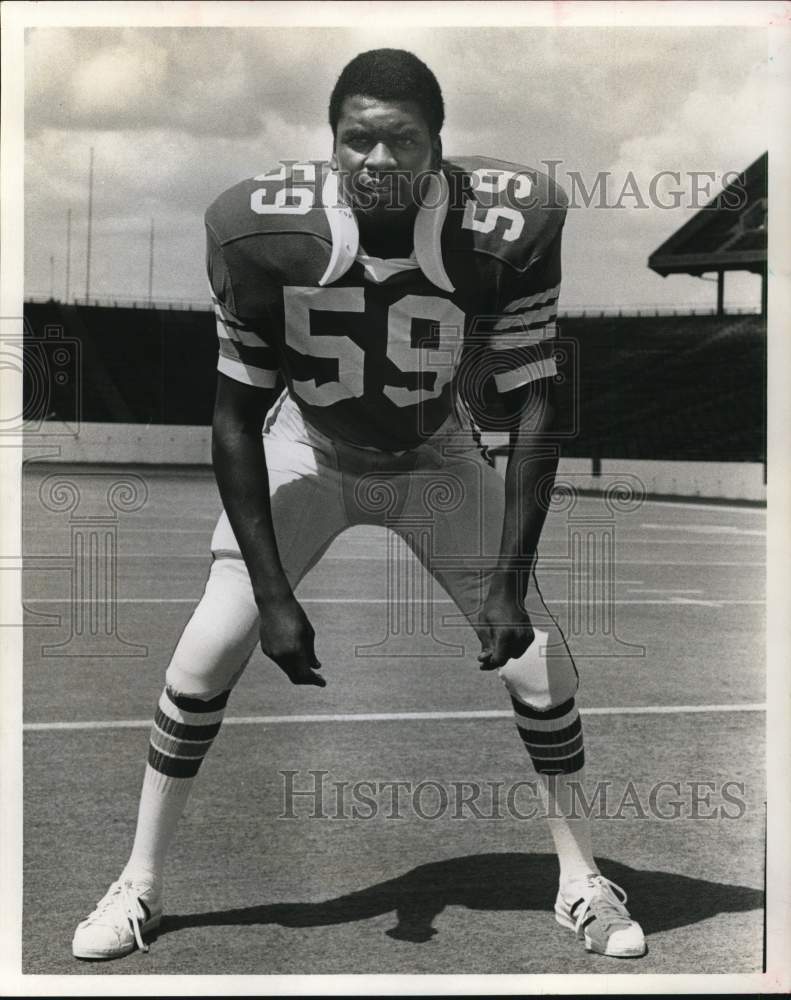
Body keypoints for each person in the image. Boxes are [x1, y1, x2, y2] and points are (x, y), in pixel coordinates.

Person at [72, 48, 646, 962]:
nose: (379, 161)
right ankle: (137, 881)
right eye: (358, 142)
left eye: (402, 141)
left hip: (436, 450)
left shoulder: (511, 220)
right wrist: (272, 594)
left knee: (539, 663)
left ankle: (582, 881)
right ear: (331, 144)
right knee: (203, 655)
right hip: (311, 445)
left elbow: (537, 405)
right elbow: (233, 416)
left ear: (438, 146)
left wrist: (507, 583)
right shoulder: (254, 228)